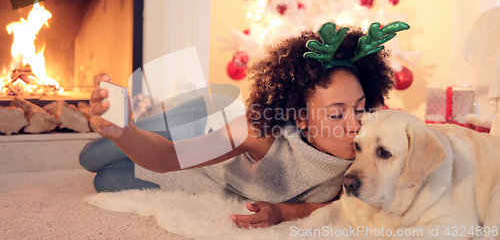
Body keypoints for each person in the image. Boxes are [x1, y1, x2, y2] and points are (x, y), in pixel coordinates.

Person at [80, 21, 405, 228]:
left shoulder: (368, 149)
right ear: (301, 118)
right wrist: (122, 130)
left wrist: (281, 213)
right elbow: (168, 158)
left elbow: (330, 204)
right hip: (199, 134)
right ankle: (160, 115)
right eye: (337, 114)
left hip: (215, 180)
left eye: (361, 109)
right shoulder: (260, 130)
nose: (355, 125)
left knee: (106, 181)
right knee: (91, 158)